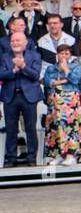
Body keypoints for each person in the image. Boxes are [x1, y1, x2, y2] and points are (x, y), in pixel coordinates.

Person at [1, 22, 42, 166]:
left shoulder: (34, 56)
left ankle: (31, 158)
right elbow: (1, 74)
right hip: (10, 96)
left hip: (29, 96)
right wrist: (13, 70)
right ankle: (11, 158)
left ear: (25, 43)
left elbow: (35, 75)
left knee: (30, 128)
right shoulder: (4, 57)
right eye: (12, 40)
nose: (15, 43)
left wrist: (23, 66)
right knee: (11, 128)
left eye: (18, 40)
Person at [42, 41, 81, 165]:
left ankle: (71, 154)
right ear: (57, 55)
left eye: (66, 54)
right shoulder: (51, 68)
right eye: (61, 53)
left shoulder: (75, 67)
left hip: (70, 98)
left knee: (70, 126)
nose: (64, 56)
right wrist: (61, 81)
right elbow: (46, 81)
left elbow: (75, 80)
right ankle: (59, 154)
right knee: (56, 126)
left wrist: (66, 71)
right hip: (55, 98)